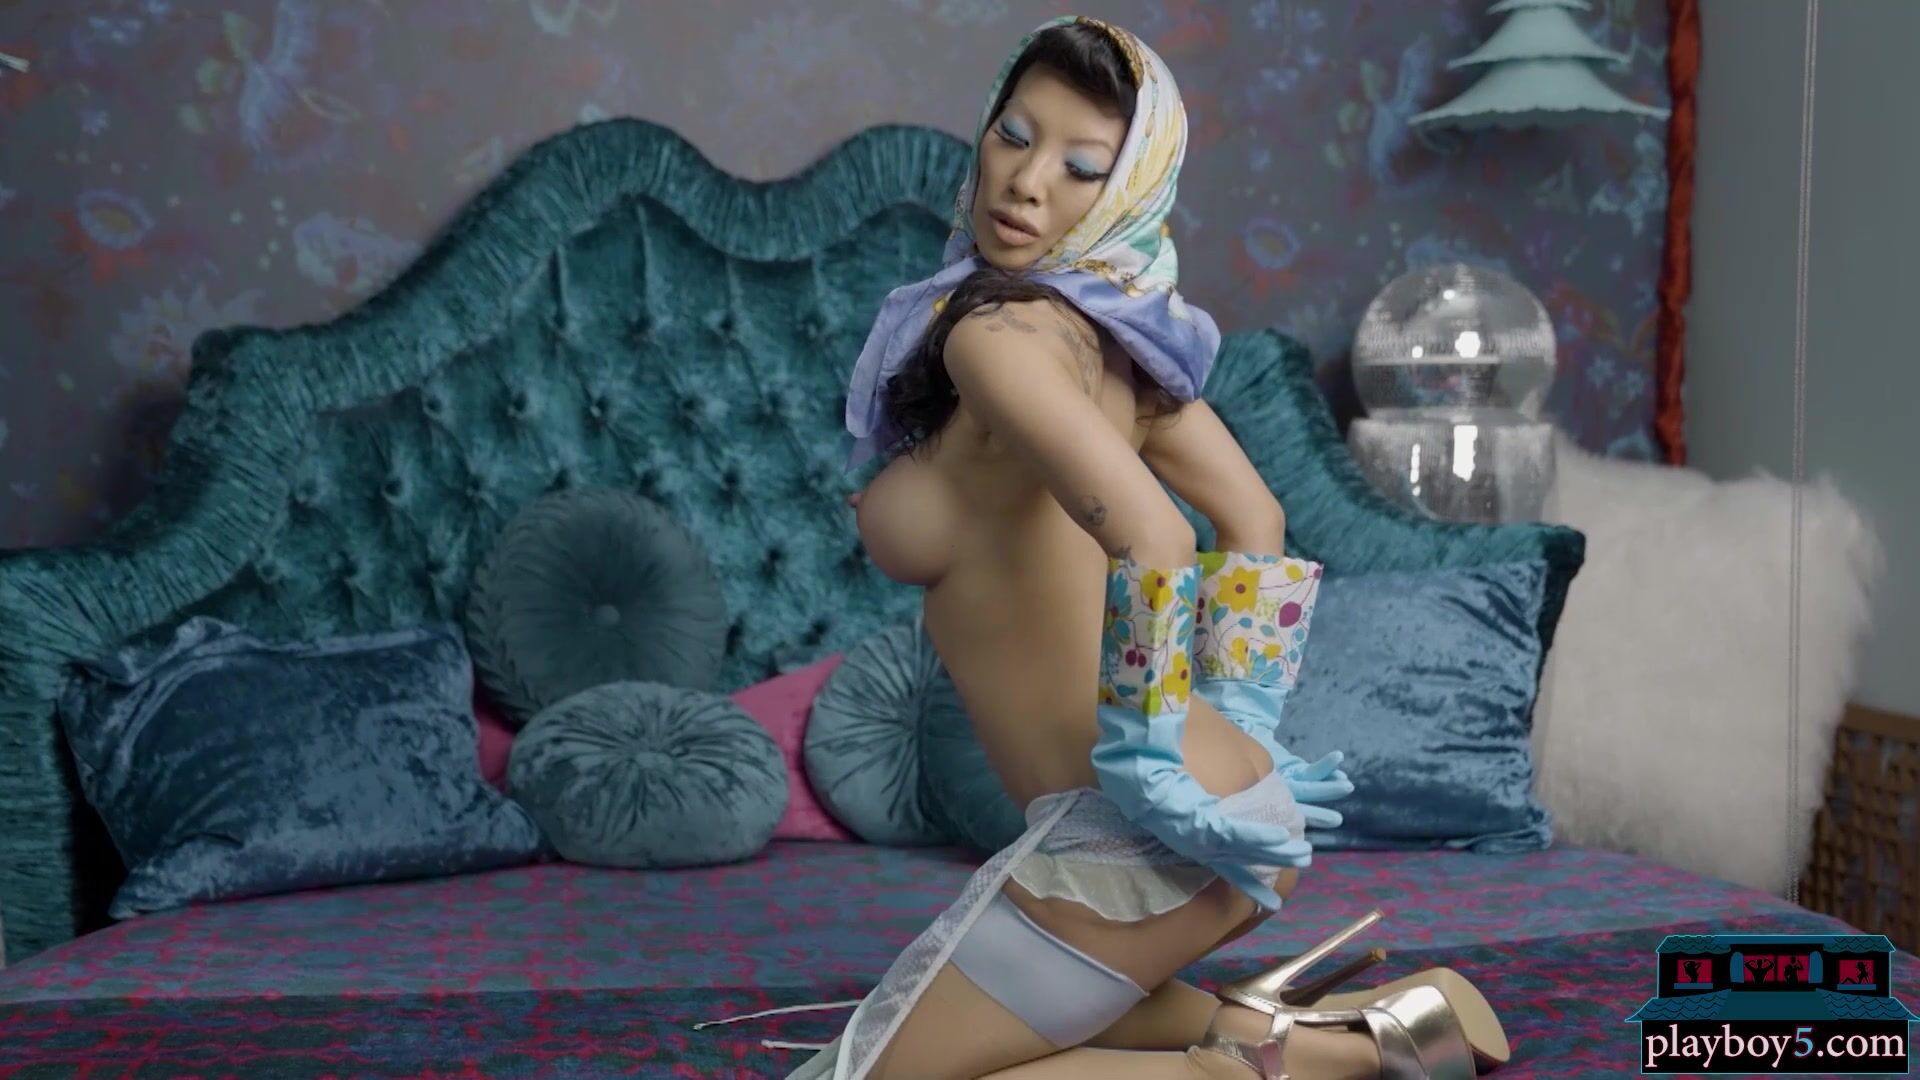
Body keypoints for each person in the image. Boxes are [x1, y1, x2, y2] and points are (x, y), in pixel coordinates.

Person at [764, 16, 1509, 1080]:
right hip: (1193, 809)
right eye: (1014, 135)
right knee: (1012, 1024)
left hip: (1129, 835)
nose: (1026, 184)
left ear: (1132, 191)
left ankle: (1327, 1065)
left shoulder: (994, 339)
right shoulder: (1115, 344)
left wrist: (1153, 762)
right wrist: (1238, 737)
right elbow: (1256, 523)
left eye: (1082, 169)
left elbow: (1157, 535)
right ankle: (1315, 1028)